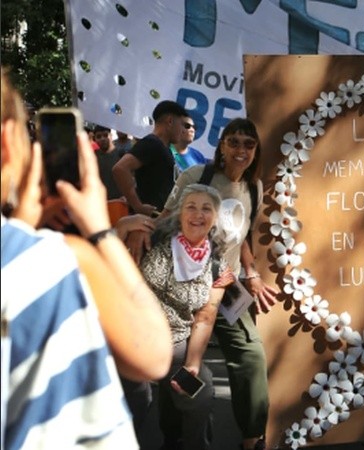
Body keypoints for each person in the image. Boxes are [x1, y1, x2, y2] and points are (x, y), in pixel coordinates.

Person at [1, 68, 171, 448]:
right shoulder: (57, 259)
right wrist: (99, 230)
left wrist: (22, 225)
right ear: (8, 145)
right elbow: (153, 355)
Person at [126, 118, 278, 450]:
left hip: (226, 286)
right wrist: (136, 226)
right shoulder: (198, 176)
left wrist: (250, 273)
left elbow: (244, 236)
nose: (240, 150)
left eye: (248, 144)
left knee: (250, 355)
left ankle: (253, 439)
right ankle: (176, 439)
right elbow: (168, 217)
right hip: (183, 284)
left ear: (256, 150)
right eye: (233, 142)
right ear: (222, 145)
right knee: (179, 367)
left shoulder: (254, 188)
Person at [134, 183, 232, 449]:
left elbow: (206, 317)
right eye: (191, 206)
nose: (198, 214)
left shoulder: (218, 266)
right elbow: (112, 238)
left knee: (198, 393)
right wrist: (126, 226)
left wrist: (193, 364)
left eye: (206, 209)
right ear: (179, 214)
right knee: (134, 405)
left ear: (214, 219)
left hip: (175, 346)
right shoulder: (150, 239)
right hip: (133, 340)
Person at [112, 100, 189, 217]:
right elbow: (120, 169)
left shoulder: (165, 148)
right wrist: (137, 206)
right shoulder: (152, 143)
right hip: (149, 221)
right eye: (182, 124)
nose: (183, 130)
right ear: (170, 121)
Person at [94, 124, 123, 199]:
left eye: (105, 135)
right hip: (100, 201)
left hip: (119, 201)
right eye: (99, 136)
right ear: (95, 139)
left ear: (111, 136)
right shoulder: (92, 156)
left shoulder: (122, 154)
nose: (102, 139)